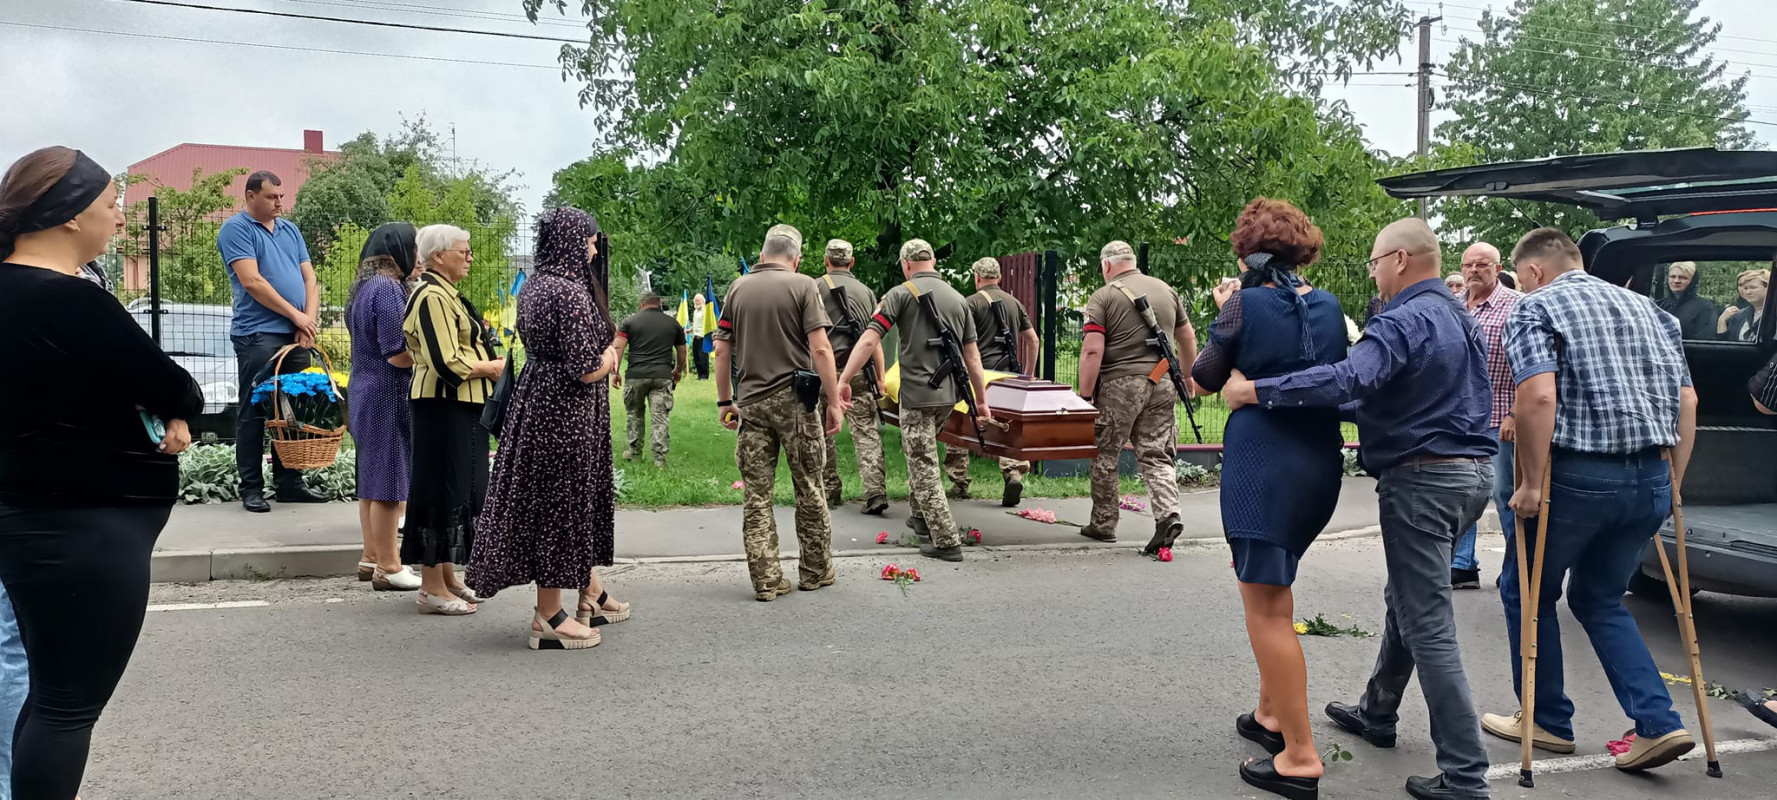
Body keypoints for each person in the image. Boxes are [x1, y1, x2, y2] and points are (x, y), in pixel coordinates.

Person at [1224, 217, 1496, 800]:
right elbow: (1408, 399)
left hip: (1423, 479)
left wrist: (1260, 392)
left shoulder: (1402, 320)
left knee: (1427, 622)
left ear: (1399, 259)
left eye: (1375, 263)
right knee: (1407, 598)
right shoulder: (1457, 314)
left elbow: (1352, 377)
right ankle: (1377, 710)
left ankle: (1466, 773)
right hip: (1472, 475)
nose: (1373, 274)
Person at [0, 147, 204, 798]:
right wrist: (171, 410)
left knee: (48, 695)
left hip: (26, 520)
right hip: (86, 530)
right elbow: (178, 387)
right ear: (67, 217)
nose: (119, 217)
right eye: (111, 203)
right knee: (68, 708)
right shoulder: (74, 303)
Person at [1483, 227, 1700, 772]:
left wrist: (1530, 484)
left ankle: (1547, 720)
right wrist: (1673, 478)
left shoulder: (1536, 307)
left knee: (1526, 591)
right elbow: (1688, 401)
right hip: (1649, 475)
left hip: (1577, 478)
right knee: (1600, 597)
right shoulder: (1653, 309)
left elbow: (1536, 394)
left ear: (1531, 271)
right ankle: (1658, 721)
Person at [1190, 199, 1349, 800]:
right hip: (1319, 465)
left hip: (1263, 464)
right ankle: (1271, 717)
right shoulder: (1331, 304)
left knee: (1267, 609)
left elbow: (1204, 377)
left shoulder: (1243, 305)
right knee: (1276, 591)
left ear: (1247, 250)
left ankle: (1301, 758)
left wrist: (1221, 312)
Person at [470, 207, 628, 648]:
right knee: (562, 505)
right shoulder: (571, 294)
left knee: (549, 502)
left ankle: (585, 593)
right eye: (591, 239)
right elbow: (585, 368)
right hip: (567, 413)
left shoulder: (537, 285)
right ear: (574, 241)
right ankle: (549, 617)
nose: (595, 247)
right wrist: (611, 358)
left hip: (538, 401)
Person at [838, 238, 993, 562]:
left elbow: (869, 340)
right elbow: (973, 359)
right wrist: (981, 402)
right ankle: (920, 518)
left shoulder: (899, 294)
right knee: (920, 453)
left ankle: (946, 540)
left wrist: (844, 378)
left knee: (923, 465)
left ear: (906, 264)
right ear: (933, 261)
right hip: (949, 396)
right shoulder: (958, 299)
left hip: (917, 396)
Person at [712, 224, 843, 599]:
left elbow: (722, 349)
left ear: (762, 253)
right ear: (796, 258)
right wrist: (833, 402)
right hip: (797, 404)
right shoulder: (804, 286)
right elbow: (820, 350)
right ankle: (816, 570)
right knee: (810, 486)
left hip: (751, 404)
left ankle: (767, 579)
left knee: (757, 494)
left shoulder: (737, 288)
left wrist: (725, 401)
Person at [402, 224, 503, 616]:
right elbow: (446, 362)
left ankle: (446, 576)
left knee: (459, 491)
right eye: (464, 251)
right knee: (441, 491)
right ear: (439, 255)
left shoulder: (445, 294)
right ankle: (431, 586)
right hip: (442, 406)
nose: (470, 257)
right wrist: (492, 368)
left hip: (460, 406)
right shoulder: (431, 297)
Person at [217, 170, 327, 513]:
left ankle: (290, 483)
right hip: (258, 334)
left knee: (293, 409)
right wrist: (296, 317)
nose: (279, 202)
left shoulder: (290, 230)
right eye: (271, 197)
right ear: (250, 196)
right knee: (255, 410)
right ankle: (251, 488)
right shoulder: (236, 229)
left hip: (295, 335)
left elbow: (310, 278)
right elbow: (252, 281)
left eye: (281, 196)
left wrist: (307, 321)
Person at [1076, 241, 1197, 549]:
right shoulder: (1166, 290)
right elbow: (1187, 336)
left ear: (1106, 266)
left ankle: (1103, 524)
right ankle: (1168, 515)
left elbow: (1092, 349)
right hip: (1163, 381)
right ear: (1132, 261)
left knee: (1106, 453)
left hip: (1120, 385)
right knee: (1156, 453)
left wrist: (1085, 395)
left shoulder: (1102, 296)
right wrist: (1188, 376)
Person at [345, 223, 423, 592]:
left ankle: (371, 556)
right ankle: (390, 567)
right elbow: (397, 352)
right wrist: (434, 361)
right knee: (391, 482)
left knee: (371, 483)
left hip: (363, 388)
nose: (419, 257)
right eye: (416, 248)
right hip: (388, 392)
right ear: (400, 250)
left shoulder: (362, 287)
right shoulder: (390, 289)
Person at [1449, 242, 1523, 590]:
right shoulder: (1452, 307)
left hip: (1500, 422)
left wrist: (1515, 413)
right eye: (1468, 265)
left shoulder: (1517, 307)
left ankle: (1518, 572)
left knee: (1505, 498)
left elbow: (1533, 369)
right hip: (1457, 420)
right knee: (1460, 496)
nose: (1474, 271)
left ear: (1498, 267)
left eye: (1482, 264)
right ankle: (1463, 564)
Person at [942, 256, 1041, 507]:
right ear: (999, 277)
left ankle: (959, 481)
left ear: (976, 277)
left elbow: (958, 341)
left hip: (978, 375)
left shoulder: (969, 304)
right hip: (1007, 374)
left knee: (958, 424)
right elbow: (1033, 340)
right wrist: (1027, 374)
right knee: (1005, 425)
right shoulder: (1015, 303)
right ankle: (1013, 472)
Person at [817, 239, 889, 515]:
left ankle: (829, 488)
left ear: (826, 261)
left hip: (824, 372)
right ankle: (875, 492)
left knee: (824, 431)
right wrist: (880, 377)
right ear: (852, 262)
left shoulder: (813, 288)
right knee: (866, 433)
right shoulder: (867, 293)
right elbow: (875, 340)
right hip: (859, 372)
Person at [613, 292, 687, 468]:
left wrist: (615, 372)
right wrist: (678, 370)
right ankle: (659, 459)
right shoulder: (673, 323)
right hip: (662, 375)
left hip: (636, 376)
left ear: (641, 304)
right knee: (660, 417)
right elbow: (682, 351)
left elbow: (618, 347)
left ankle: (635, 452)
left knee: (634, 414)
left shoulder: (629, 322)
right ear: (659, 304)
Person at [1657, 262, 1718, 340]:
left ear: (1693, 281)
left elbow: (1706, 340)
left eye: (1683, 278)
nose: (1676, 281)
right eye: (1672, 276)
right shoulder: (1658, 305)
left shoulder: (1704, 307)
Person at [1717, 266, 1769, 342]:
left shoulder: (1773, 315)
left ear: (1768, 287)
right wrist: (1721, 321)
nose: (1747, 292)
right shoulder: (1739, 316)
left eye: (1753, 287)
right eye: (1745, 288)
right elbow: (1727, 346)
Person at [690, 293, 713, 380]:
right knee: (696, 357)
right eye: (695, 300)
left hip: (703, 337)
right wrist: (690, 330)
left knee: (702, 357)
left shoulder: (705, 311)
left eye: (698, 300)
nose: (697, 302)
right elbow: (696, 323)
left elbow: (708, 324)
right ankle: (699, 375)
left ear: (703, 301)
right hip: (695, 336)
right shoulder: (695, 311)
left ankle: (704, 375)